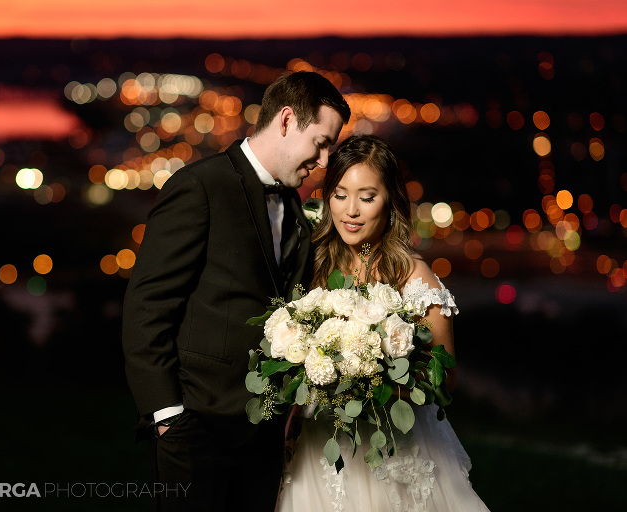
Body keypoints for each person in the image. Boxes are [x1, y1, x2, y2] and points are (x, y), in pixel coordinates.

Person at [122, 71, 351, 512]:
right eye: (320, 143)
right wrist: (167, 415)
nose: (323, 161)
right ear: (286, 120)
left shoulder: (298, 212)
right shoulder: (199, 187)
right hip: (196, 428)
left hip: (265, 432)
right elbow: (146, 307)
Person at [277, 134, 489, 512]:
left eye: (367, 196)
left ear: (389, 201)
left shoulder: (414, 276)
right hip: (319, 445)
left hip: (393, 448)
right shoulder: (315, 268)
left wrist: (366, 379)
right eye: (340, 194)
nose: (351, 210)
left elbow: (447, 379)